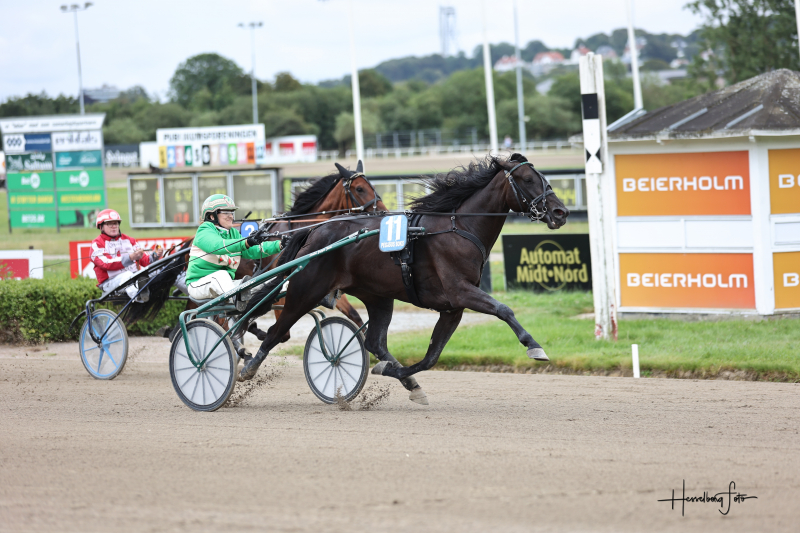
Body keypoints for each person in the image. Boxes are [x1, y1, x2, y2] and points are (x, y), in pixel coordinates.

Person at [186, 194, 281, 302]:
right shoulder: (204, 230)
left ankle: (255, 297)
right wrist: (246, 241)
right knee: (221, 275)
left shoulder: (233, 233)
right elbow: (218, 246)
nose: (231, 216)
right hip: (199, 285)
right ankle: (239, 299)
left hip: (226, 286)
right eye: (226, 212)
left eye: (231, 212)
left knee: (275, 281)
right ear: (212, 216)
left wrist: (280, 245)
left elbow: (254, 250)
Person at [91, 209, 163, 300]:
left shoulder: (129, 240)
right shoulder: (96, 244)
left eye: (116, 223)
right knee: (128, 275)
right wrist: (130, 257)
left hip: (133, 277)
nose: (114, 226)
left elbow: (146, 261)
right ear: (101, 227)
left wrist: (155, 255)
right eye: (109, 223)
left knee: (159, 271)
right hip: (110, 282)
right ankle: (140, 296)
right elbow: (106, 263)